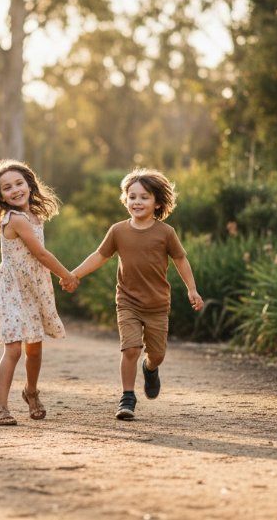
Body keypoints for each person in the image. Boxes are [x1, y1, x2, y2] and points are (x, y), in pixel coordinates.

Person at [67, 168, 203, 420]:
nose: (137, 202)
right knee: (130, 349)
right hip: (127, 301)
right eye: (132, 196)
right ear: (125, 200)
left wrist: (191, 289)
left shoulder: (166, 233)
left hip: (157, 304)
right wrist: (74, 274)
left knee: (157, 355)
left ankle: (150, 369)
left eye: (144, 197)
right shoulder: (118, 230)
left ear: (157, 202)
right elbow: (100, 255)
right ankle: (127, 396)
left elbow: (180, 259)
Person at [0, 159, 78, 426]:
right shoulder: (16, 219)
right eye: (7, 187)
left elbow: (37, 258)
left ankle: (31, 392)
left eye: (19, 183)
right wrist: (66, 275)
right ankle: (0, 407)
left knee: (34, 349)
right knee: (13, 350)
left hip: (33, 288)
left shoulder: (34, 216)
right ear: (0, 196)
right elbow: (40, 253)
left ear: (30, 185)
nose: (15, 190)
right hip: (11, 291)